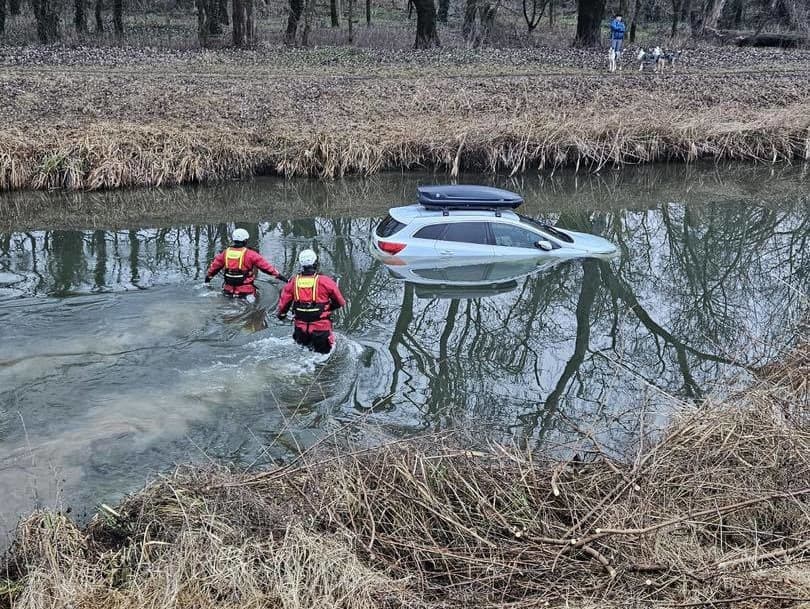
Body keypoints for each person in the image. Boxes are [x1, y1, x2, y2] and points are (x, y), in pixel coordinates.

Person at [276, 249, 346, 354]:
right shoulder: (326, 281)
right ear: (315, 263)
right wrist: (329, 308)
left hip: (300, 330)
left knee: (302, 354)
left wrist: (281, 315)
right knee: (322, 357)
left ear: (301, 264)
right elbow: (340, 302)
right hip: (321, 330)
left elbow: (284, 305)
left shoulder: (293, 282)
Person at [205, 228, 287, 300]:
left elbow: (213, 269)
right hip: (247, 292)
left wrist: (207, 280)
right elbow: (267, 268)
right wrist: (282, 277)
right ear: (245, 241)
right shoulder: (251, 254)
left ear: (234, 240)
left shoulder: (225, 253)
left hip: (228, 290)